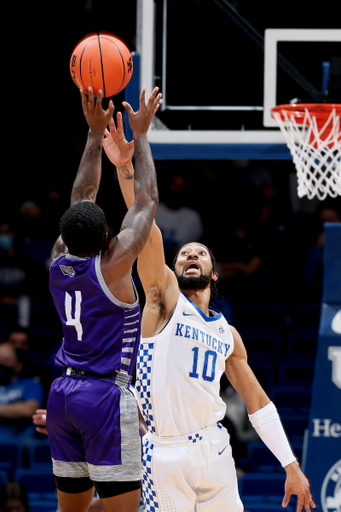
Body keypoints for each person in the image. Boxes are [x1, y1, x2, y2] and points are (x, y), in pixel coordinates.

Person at [34, 109, 315, 512]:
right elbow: (146, 227)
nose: (191, 256)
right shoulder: (163, 298)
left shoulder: (227, 334)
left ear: (214, 274)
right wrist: (127, 168)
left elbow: (258, 402)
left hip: (215, 448)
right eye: (184, 254)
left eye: (200, 253)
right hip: (163, 452)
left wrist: (291, 464)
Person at [45, 85, 161, 512]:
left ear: (66, 235)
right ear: (108, 238)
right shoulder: (113, 265)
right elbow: (146, 200)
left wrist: (94, 136)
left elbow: (81, 197)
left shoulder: (57, 262)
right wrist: (142, 134)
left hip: (61, 394)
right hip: (104, 397)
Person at [0, 341, 44, 441]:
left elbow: (28, 411)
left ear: (17, 363)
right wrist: (15, 408)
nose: (2, 364)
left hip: (23, 447)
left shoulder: (31, 385)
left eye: (6, 360)